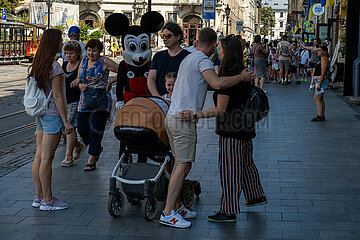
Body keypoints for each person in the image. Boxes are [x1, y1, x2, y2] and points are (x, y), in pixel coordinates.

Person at [160, 28, 255, 228]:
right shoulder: (203, 61)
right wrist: (241, 77)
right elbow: (218, 84)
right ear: (213, 45)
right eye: (217, 47)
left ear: (197, 42)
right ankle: (168, 212)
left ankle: (176, 206)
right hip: (183, 120)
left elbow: (207, 84)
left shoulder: (189, 58)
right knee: (181, 166)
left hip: (173, 117)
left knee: (182, 164)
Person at [178, 34, 267, 223]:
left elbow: (219, 110)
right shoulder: (242, 73)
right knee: (246, 164)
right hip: (246, 127)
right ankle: (255, 195)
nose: (218, 51)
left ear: (227, 52)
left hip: (231, 130)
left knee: (230, 170)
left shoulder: (228, 77)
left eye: (220, 48)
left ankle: (228, 210)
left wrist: (194, 115)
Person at [30, 29, 73, 211]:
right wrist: (66, 121)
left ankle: (38, 196)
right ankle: (48, 200)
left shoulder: (37, 64)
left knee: (39, 156)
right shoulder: (54, 66)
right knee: (47, 159)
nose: (62, 44)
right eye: (60, 40)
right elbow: (57, 96)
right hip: (52, 115)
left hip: (40, 114)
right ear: (54, 43)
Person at [70, 39, 118, 171]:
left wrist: (111, 81)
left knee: (96, 129)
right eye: (89, 50)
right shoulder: (84, 61)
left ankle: (92, 159)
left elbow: (123, 71)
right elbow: (79, 78)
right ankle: (96, 147)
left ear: (99, 51)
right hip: (84, 100)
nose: (91, 53)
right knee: (82, 129)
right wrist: (79, 85)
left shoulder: (104, 61)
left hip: (100, 100)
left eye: (94, 50)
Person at [60, 41, 86, 167]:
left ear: (77, 54)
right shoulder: (64, 65)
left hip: (76, 100)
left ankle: (68, 156)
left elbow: (83, 79)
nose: (68, 56)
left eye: (71, 53)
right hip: (64, 101)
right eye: (66, 53)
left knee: (69, 127)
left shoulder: (81, 65)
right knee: (65, 129)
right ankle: (78, 145)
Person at [147, 22, 190, 97]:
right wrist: (159, 98)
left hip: (181, 101)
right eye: (162, 36)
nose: (164, 39)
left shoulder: (188, 57)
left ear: (178, 37)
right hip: (160, 100)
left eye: (168, 36)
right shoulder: (158, 56)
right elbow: (151, 79)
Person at [311, 46, 330, 122]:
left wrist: (319, 84)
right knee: (320, 98)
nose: (317, 51)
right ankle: (321, 114)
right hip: (318, 80)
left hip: (320, 81)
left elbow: (323, 73)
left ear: (324, 52)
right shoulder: (321, 59)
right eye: (317, 50)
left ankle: (320, 115)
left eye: (319, 50)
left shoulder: (324, 60)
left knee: (317, 98)